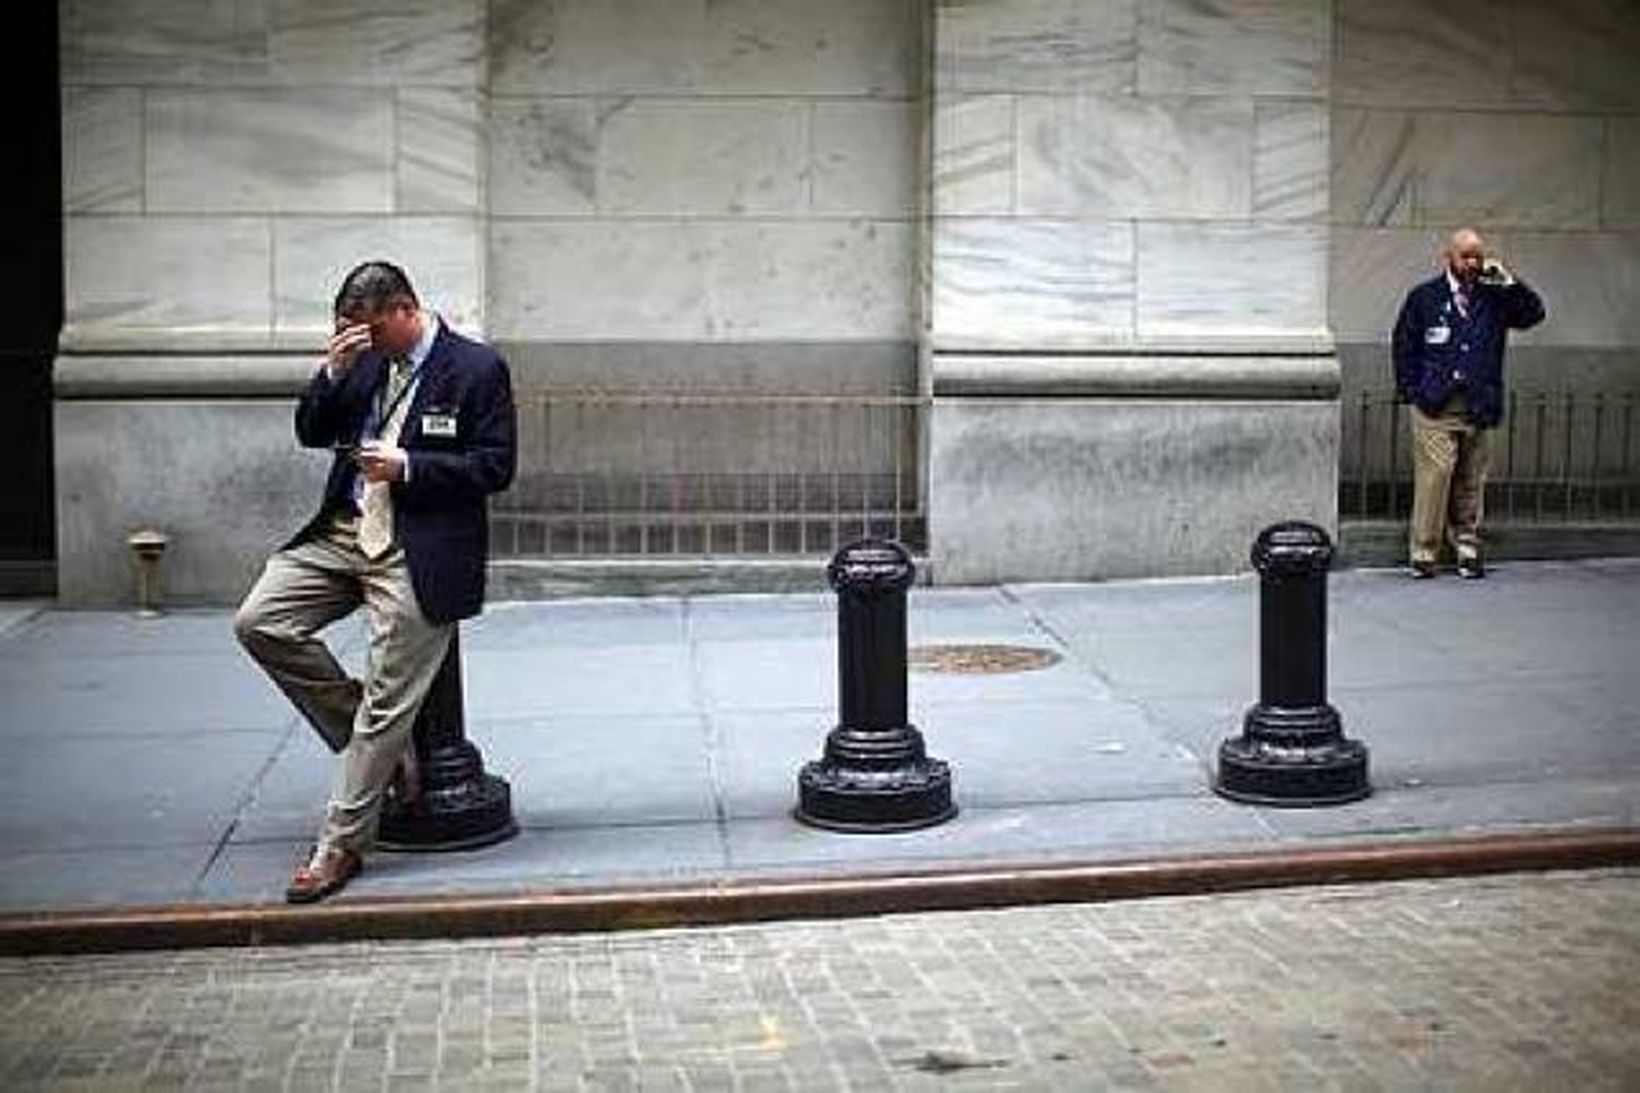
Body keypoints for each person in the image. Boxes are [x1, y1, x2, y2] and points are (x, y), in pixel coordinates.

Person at [234, 261, 516, 902]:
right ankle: (388, 750)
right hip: (342, 531)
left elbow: (495, 467)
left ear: (402, 311)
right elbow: (311, 431)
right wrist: (331, 373)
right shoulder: (361, 359)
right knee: (260, 622)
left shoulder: (475, 368)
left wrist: (409, 465)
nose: (359, 344)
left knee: (391, 693)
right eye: (348, 335)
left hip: (416, 546)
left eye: (366, 332)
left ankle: (340, 845)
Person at [1391, 228, 1545, 579]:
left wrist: (1509, 282)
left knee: (1471, 478)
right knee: (1436, 474)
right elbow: (1404, 343)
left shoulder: (1495, 296)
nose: (1473, 263)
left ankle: (1467, 545)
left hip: (1478, 402)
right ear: (1449, 258)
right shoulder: (1425, 297)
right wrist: (1410, 390)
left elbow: (1533, 315)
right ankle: (1424, 550)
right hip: (1434, 403)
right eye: (1466, 256)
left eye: (1477, 256)